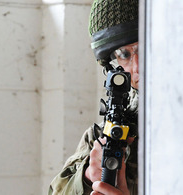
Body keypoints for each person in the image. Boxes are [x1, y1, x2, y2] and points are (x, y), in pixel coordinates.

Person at [49, 0, 139, 194]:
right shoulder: (99, 138)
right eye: (124, 54)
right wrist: (88, 177)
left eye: (146, 47)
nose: (138, 67)